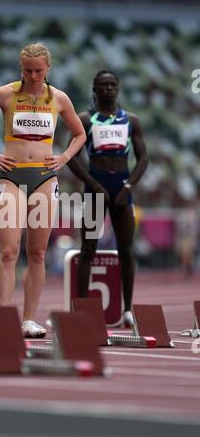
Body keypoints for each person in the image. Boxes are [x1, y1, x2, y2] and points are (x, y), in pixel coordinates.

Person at [0, 43, 86, 338]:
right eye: (28, 70)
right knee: (7, 251)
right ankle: (4, 317)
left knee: (38, 253)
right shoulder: (5, 94)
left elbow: (79, 133)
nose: (33, 76)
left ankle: (29, 319)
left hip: (44, 179)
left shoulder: (59, 98)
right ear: (21, 68)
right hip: (12, 178)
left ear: (48, 69)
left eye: (38, 71)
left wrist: (65, 157)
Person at [68, 70, 148, 327]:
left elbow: (143, 158)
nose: (109, 89)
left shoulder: (130, 120)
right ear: (95, 89)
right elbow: (72, 157)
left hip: (122, 188)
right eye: (104, 85)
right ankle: (81, 309)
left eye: (113, 85)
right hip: (95, 187)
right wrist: (93, 185)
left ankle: (127, 310)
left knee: (126, 250)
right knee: (88, 250)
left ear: (119, 88)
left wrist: (128, 186)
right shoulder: (86, 119)